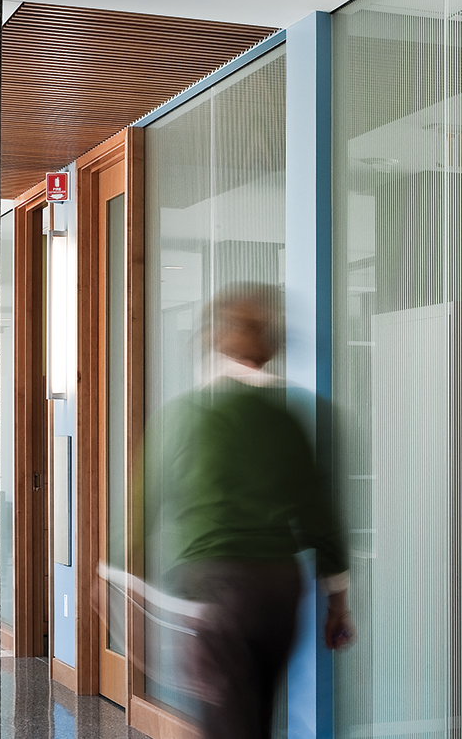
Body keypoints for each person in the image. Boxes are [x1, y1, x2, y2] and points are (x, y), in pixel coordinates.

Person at [149, 283, 353, 739]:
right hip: (278, 592)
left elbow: (145, 501)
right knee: (257, 716)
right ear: (272, 343)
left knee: (225, 723)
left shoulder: (188, 414)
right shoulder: (294, 417)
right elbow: (320, 517)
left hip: (215, 591)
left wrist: (111, 573)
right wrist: (338, 605)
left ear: (215, 337)